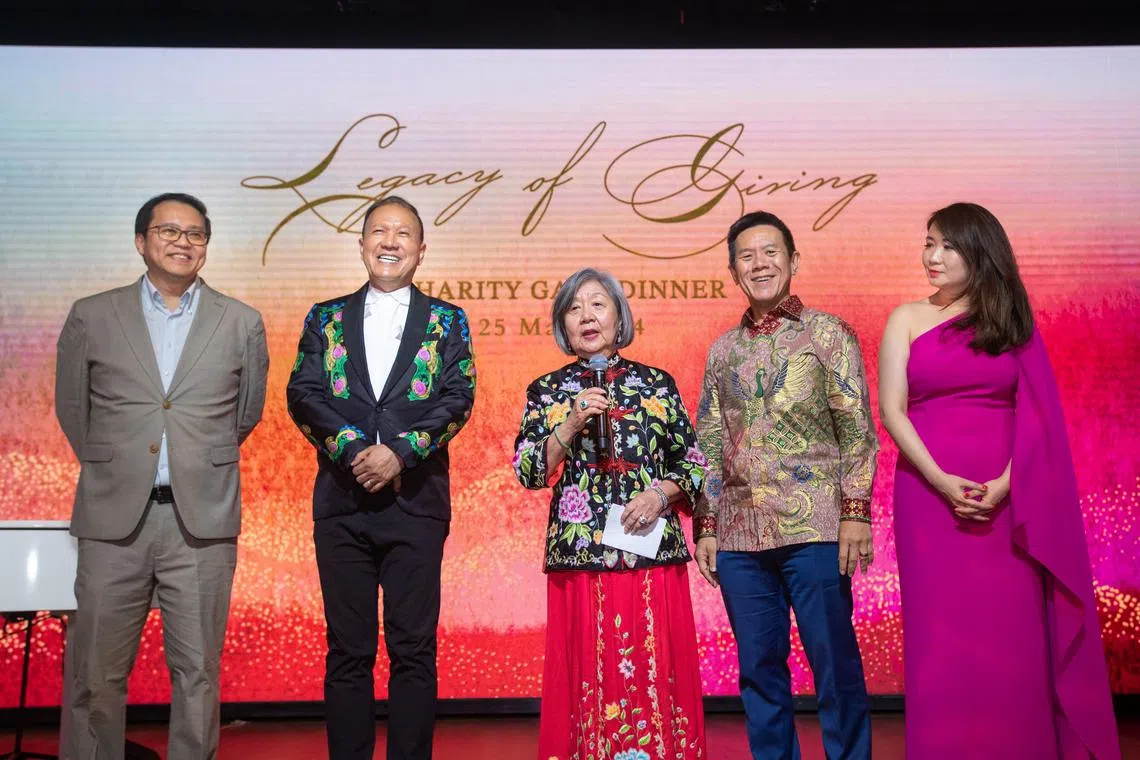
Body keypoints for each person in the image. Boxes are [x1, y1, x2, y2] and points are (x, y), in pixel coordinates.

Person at [878, 202, 1120, 759]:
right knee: (940, 640)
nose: (932, 256)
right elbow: (892, 411)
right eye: (928, 243)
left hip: (1012, 498)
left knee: (1013, 634)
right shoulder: (906, 317)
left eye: (947, 246)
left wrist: (1006, 485)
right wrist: (940, 480)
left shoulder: (1012, 323)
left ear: (980, 254)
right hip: (927, 499)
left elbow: (1039, 416)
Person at [54, 192, 269, 759]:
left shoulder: (242, 321)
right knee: (95, 674)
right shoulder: (92, 314)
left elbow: (243, 416)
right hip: (112, 519)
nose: (182, 241)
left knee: (197, 675)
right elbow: (74, 410)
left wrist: (193, 461)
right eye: (168, 230)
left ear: (207, 245)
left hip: (199, 524)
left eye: (196, 233)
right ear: (141, 241)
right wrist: (120, 465)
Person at [286, 195, 476, 760]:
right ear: (361, 243)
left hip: (416, 502)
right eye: (378, 232)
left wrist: (398, 453)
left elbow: (457, 396)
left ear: (421, 250)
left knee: (413, 648)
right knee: (348, 649)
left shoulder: (448, 320)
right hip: (341, 504)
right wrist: (351, 451)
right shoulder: (325, 316)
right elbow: (304, 393)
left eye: (402, 234)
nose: (389, 242)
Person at [693, 210, 877, 760]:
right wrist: (706, 524)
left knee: (834, 666)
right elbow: (706, 441)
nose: (760, 263)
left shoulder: (828, 334)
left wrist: (855, 511)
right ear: (733, 271)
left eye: (771, 252)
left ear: (793, 260)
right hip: (741, 538)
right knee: (759, 673)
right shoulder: (722, 351)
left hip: (816, 527)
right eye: (746, 256)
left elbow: (858, 431)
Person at [512, 267, 708, 760]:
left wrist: (661, 494)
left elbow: (694, 464)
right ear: (563, 326)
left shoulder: (656, 384)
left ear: (619, 316)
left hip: (649, 553)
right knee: (587, 670)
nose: (586, 316)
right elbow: (530, 470)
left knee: (651, 665)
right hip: (581, 556)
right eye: (574, 309)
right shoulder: (547, 391)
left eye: (598, 304)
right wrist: (571, 422)